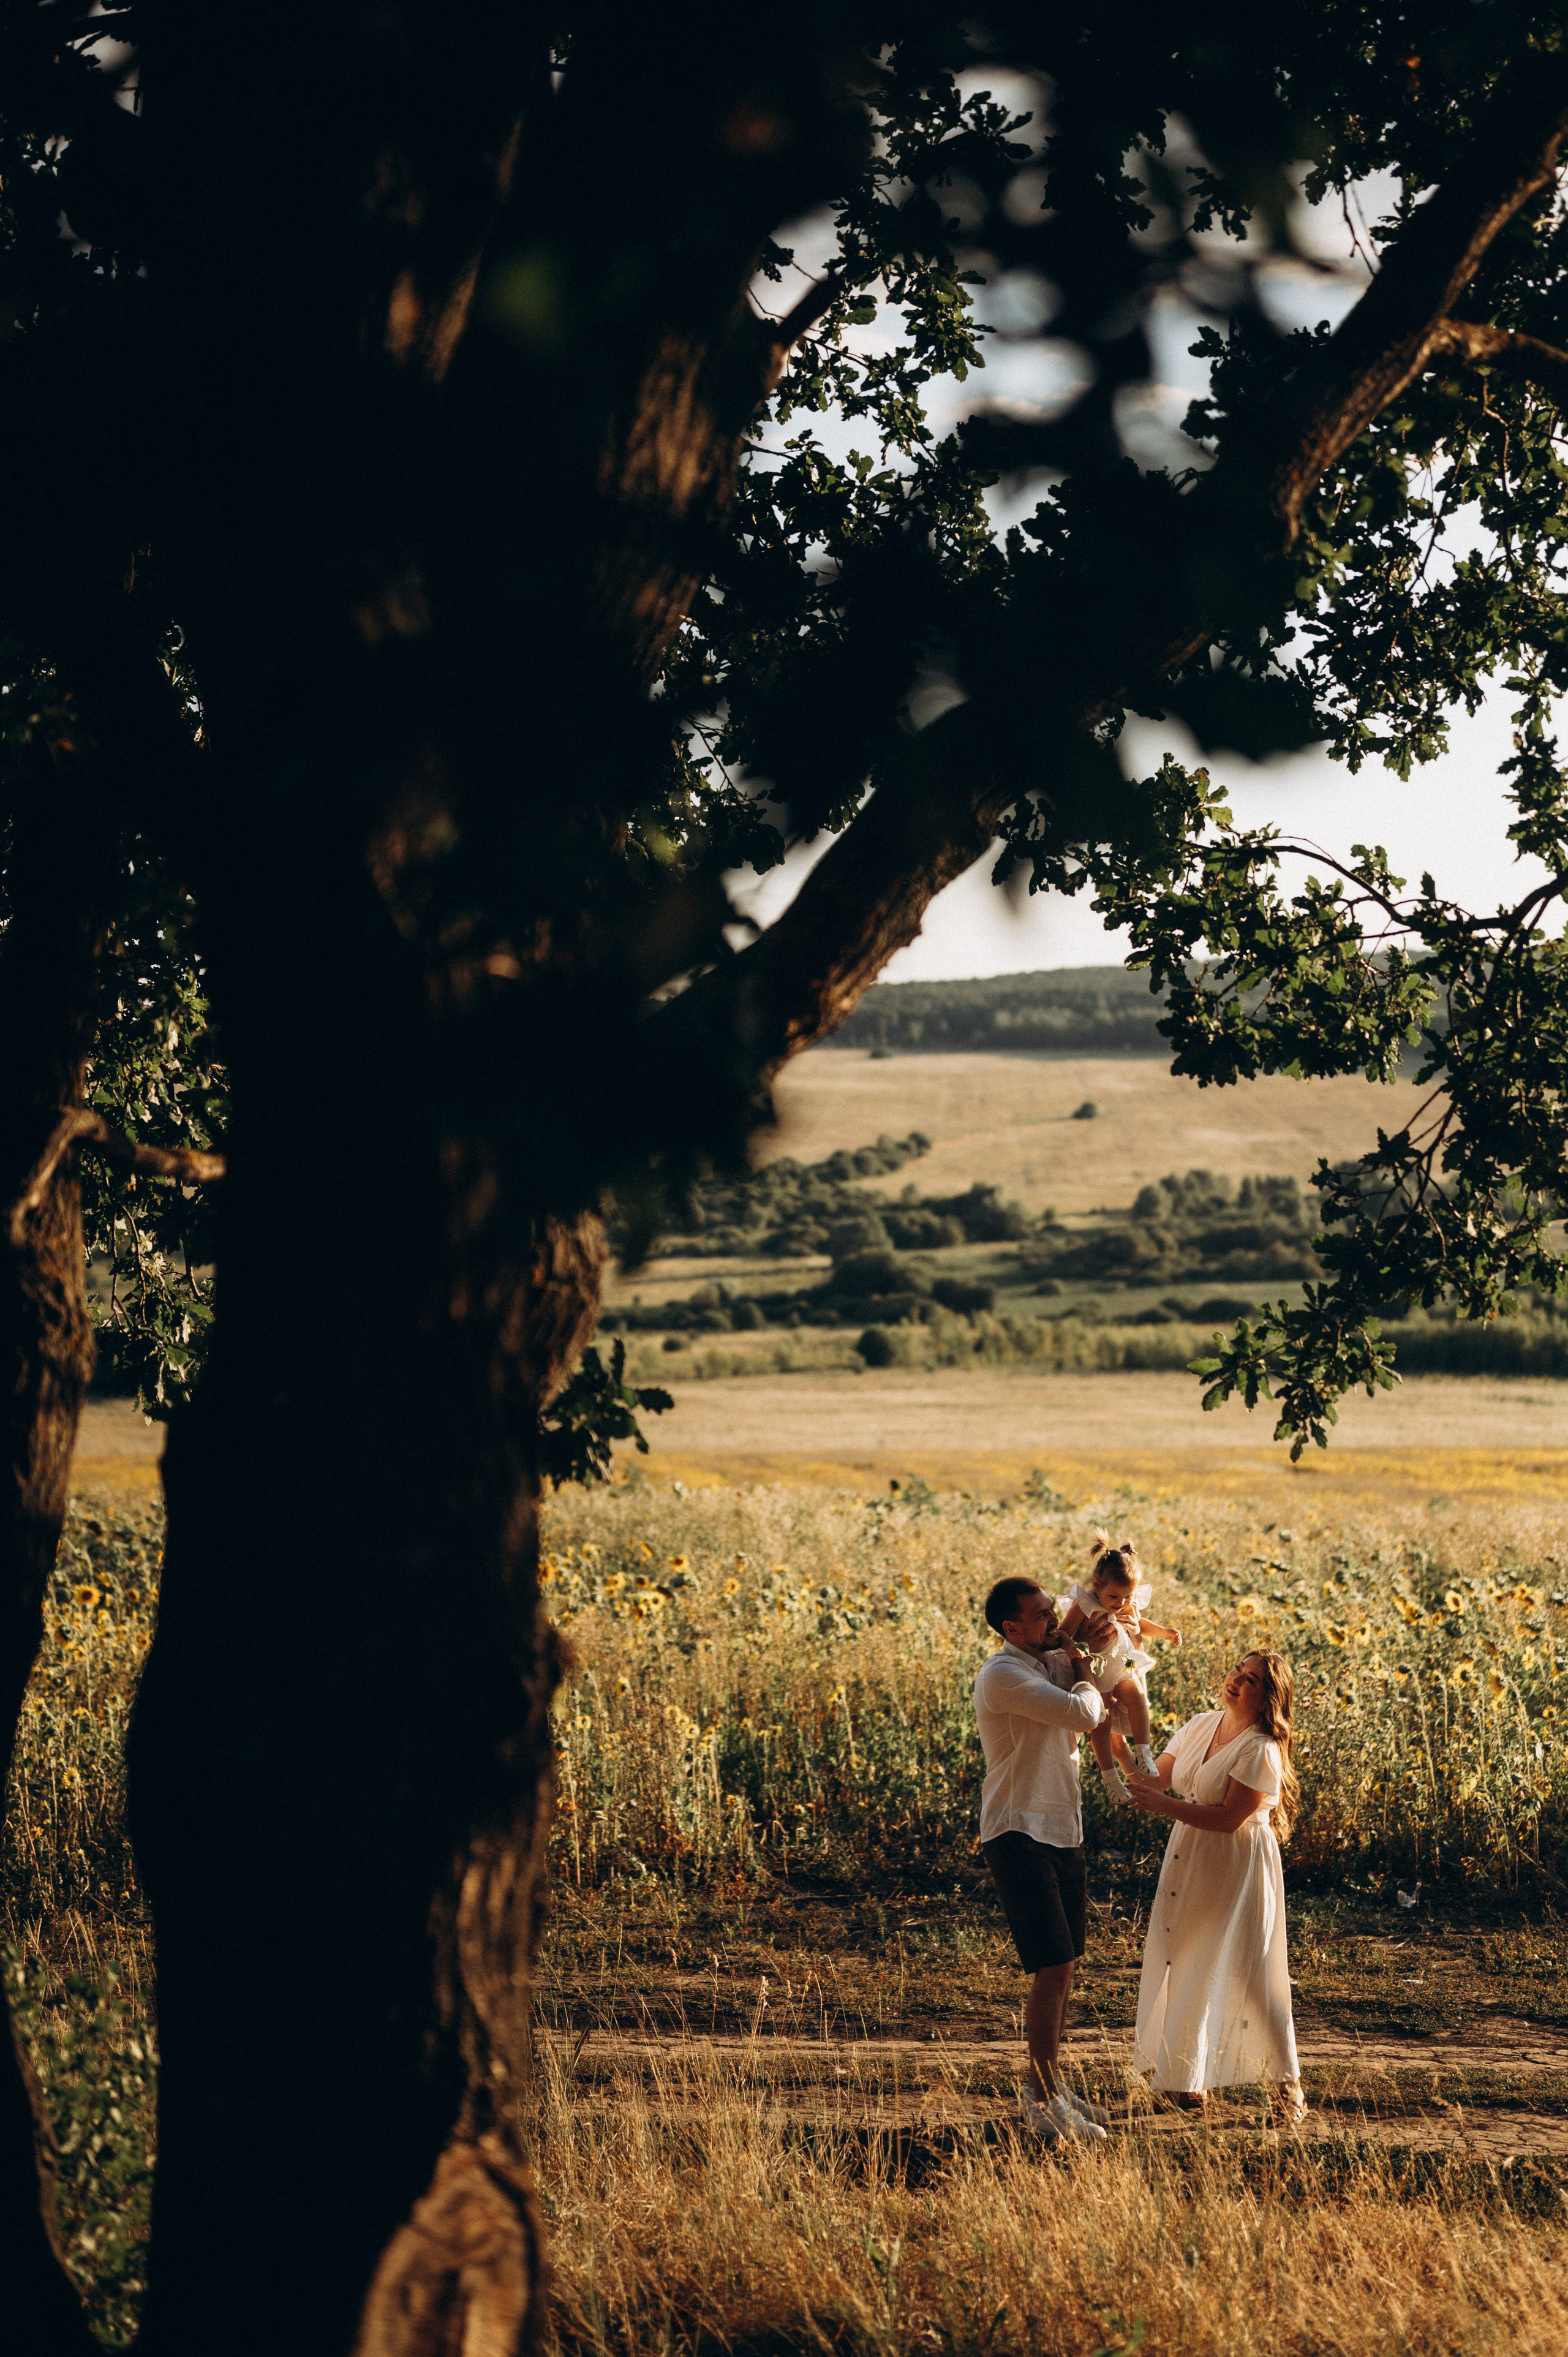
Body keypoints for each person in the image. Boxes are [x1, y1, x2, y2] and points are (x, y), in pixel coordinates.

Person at [1127, 1648, 1305, 2119]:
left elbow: (1230, 1819)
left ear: (1268, 1698)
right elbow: (1152, 1777)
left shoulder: (1261, 1747)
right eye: (1237, 1671)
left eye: (1250, 1680)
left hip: (1237, 1862)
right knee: (1184, 1958)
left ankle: (1288, 2089)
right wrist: (1111, 1734)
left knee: (1251, 1970)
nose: (1236, 1681)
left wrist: (1161, 1807)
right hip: (1189, 1854)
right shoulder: (1201, 1723)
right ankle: (1187, 2082)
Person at [973, 1574, 1117, 2145]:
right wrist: (1081, 1665)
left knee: (1066, 1965)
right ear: (1012, 1628)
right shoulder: (1003, 1675)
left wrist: (1093, 1645)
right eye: (1039, 1615)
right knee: (1050, 1966)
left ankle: (1050, 2089)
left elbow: (1105, 1699)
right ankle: (1041, 2099)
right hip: (1018, 1830)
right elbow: (1087, 1713)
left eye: (1048, 1610)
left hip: (1062, 1827)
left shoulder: (1048, 1663)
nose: (1050, 1620)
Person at [1058, 1531, 1182, 1801]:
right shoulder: (1084, 1604)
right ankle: (1110, 1777)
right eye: (1115, 1597)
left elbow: (1141, 1624)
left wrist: (1164, 1633)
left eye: (1128, 1597)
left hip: (1123, 1667)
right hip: (1096, 1670)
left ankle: (1143, 1751)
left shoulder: (1126, 1603)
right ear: (1097, 1584)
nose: (1121, 1604)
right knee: (1101, 1721)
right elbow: (1063, 1632)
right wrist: (1073, 1645)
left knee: (1137, 1696)